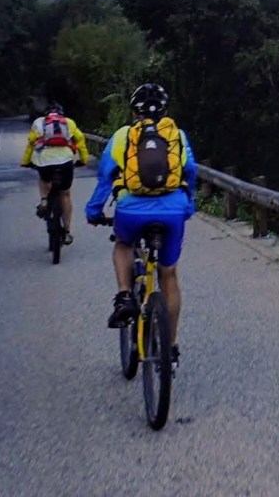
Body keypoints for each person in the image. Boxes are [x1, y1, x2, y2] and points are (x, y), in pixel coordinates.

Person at [85, 82, 196, 364]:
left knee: (123, 244)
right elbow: (190, 172)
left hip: (131, 211)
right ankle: (171, 345)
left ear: (134, 112)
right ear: (165, 111)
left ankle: (125, 296)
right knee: (168, 274)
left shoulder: (123, 136)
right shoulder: (177, 135)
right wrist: (187, 206)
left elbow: (105, 178)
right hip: (172, 211)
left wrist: (94, 211)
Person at [21, 102, 89, 245]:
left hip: (45, 162)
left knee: (44, 180)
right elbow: (80, 140)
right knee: (65, 194)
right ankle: (67, 232)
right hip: (65, 162)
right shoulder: (69, 122)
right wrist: (83, 160)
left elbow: (31, 143)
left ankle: (44, 200)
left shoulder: (38, 123)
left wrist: (26, 161)